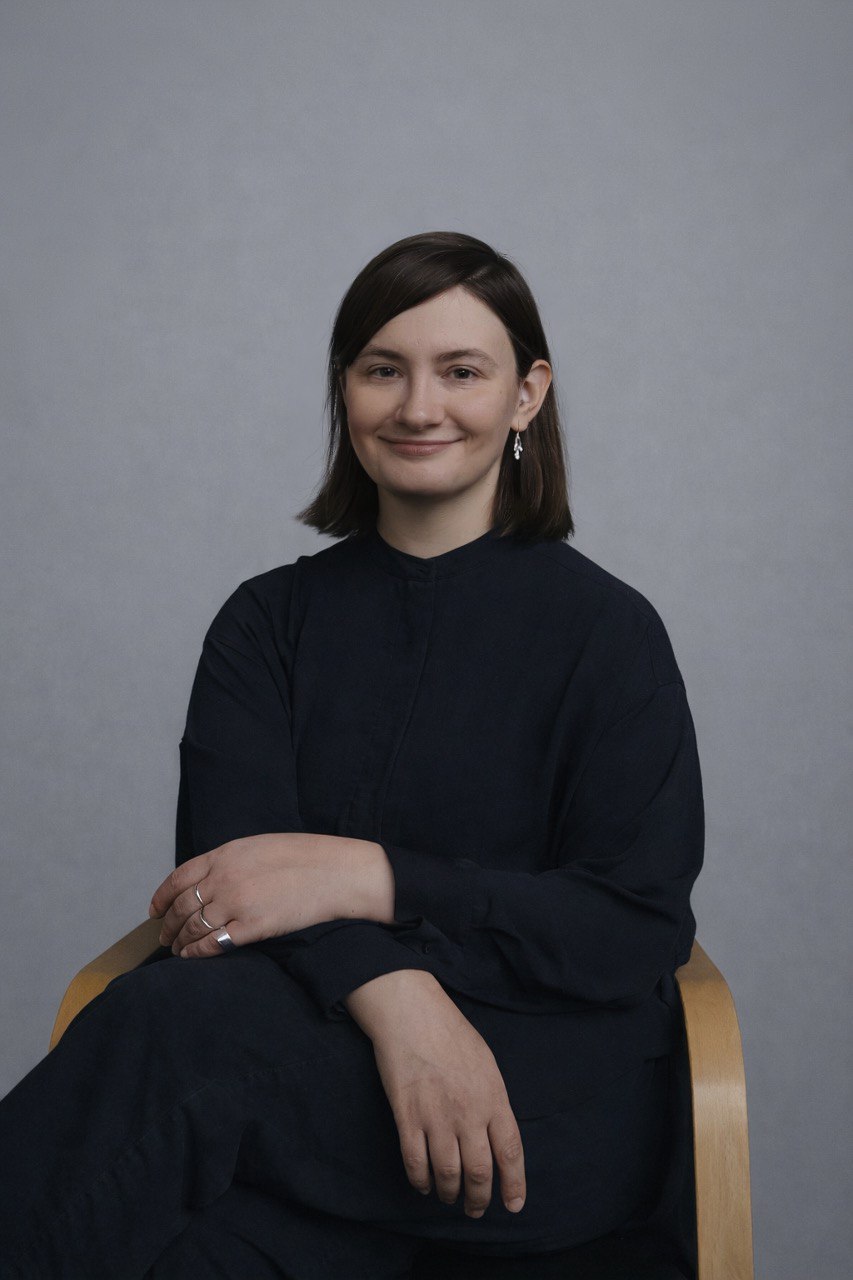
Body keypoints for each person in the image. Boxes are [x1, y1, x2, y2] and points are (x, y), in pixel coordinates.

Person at [0, 230, 704, 1279]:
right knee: (185, 1232)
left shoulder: (610, 633)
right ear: (345, 388)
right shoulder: (266, 623)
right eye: (383, 369)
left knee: (166, 1030)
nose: (418, 406)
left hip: (542, 1103)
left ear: (526, 394)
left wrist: (369, 876)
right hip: (311, 1069)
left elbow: (629, 924)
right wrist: (400, 998)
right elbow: (229, 897)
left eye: (460, 371)